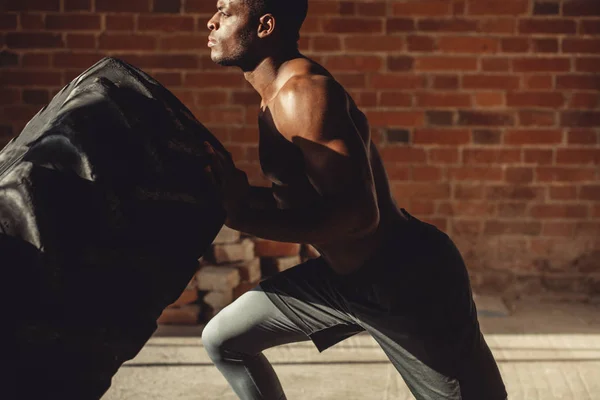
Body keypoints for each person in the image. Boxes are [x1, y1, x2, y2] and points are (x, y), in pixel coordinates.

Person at [200, 1, 508, 399]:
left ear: (264, 26)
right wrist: (237, 197)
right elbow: (307, 203)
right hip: (341, 280)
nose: (211, 21)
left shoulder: (303, 95)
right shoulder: (272, 98)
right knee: (224, 339)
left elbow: (360, 216)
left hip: (405, 280)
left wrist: (244, 217)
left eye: (225, 12)